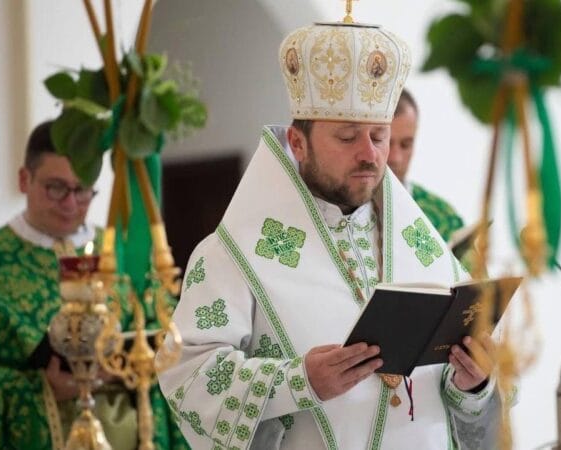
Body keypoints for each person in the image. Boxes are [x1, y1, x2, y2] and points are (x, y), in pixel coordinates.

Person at [157, 19, 508, 450]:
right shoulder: (233, 253)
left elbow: (476, 394)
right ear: (297, 143)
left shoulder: (424, 246)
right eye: (346, 137)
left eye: (379, 137)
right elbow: (186, 375)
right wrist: (297, 381)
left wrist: (473, 384)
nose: (371, 154)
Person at [0, 121, 186, 449]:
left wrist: (118, 369)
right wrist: (41, 385)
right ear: (24, 180)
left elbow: (168, 338)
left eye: (83, 189)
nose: (71, 202)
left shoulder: (122, 255)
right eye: (56, 188)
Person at [388, 89, 465, 243]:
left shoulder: (444, 218)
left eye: (406, 145)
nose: (396, 158)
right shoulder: (341, 216)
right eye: (385, 143)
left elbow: (473, 267)